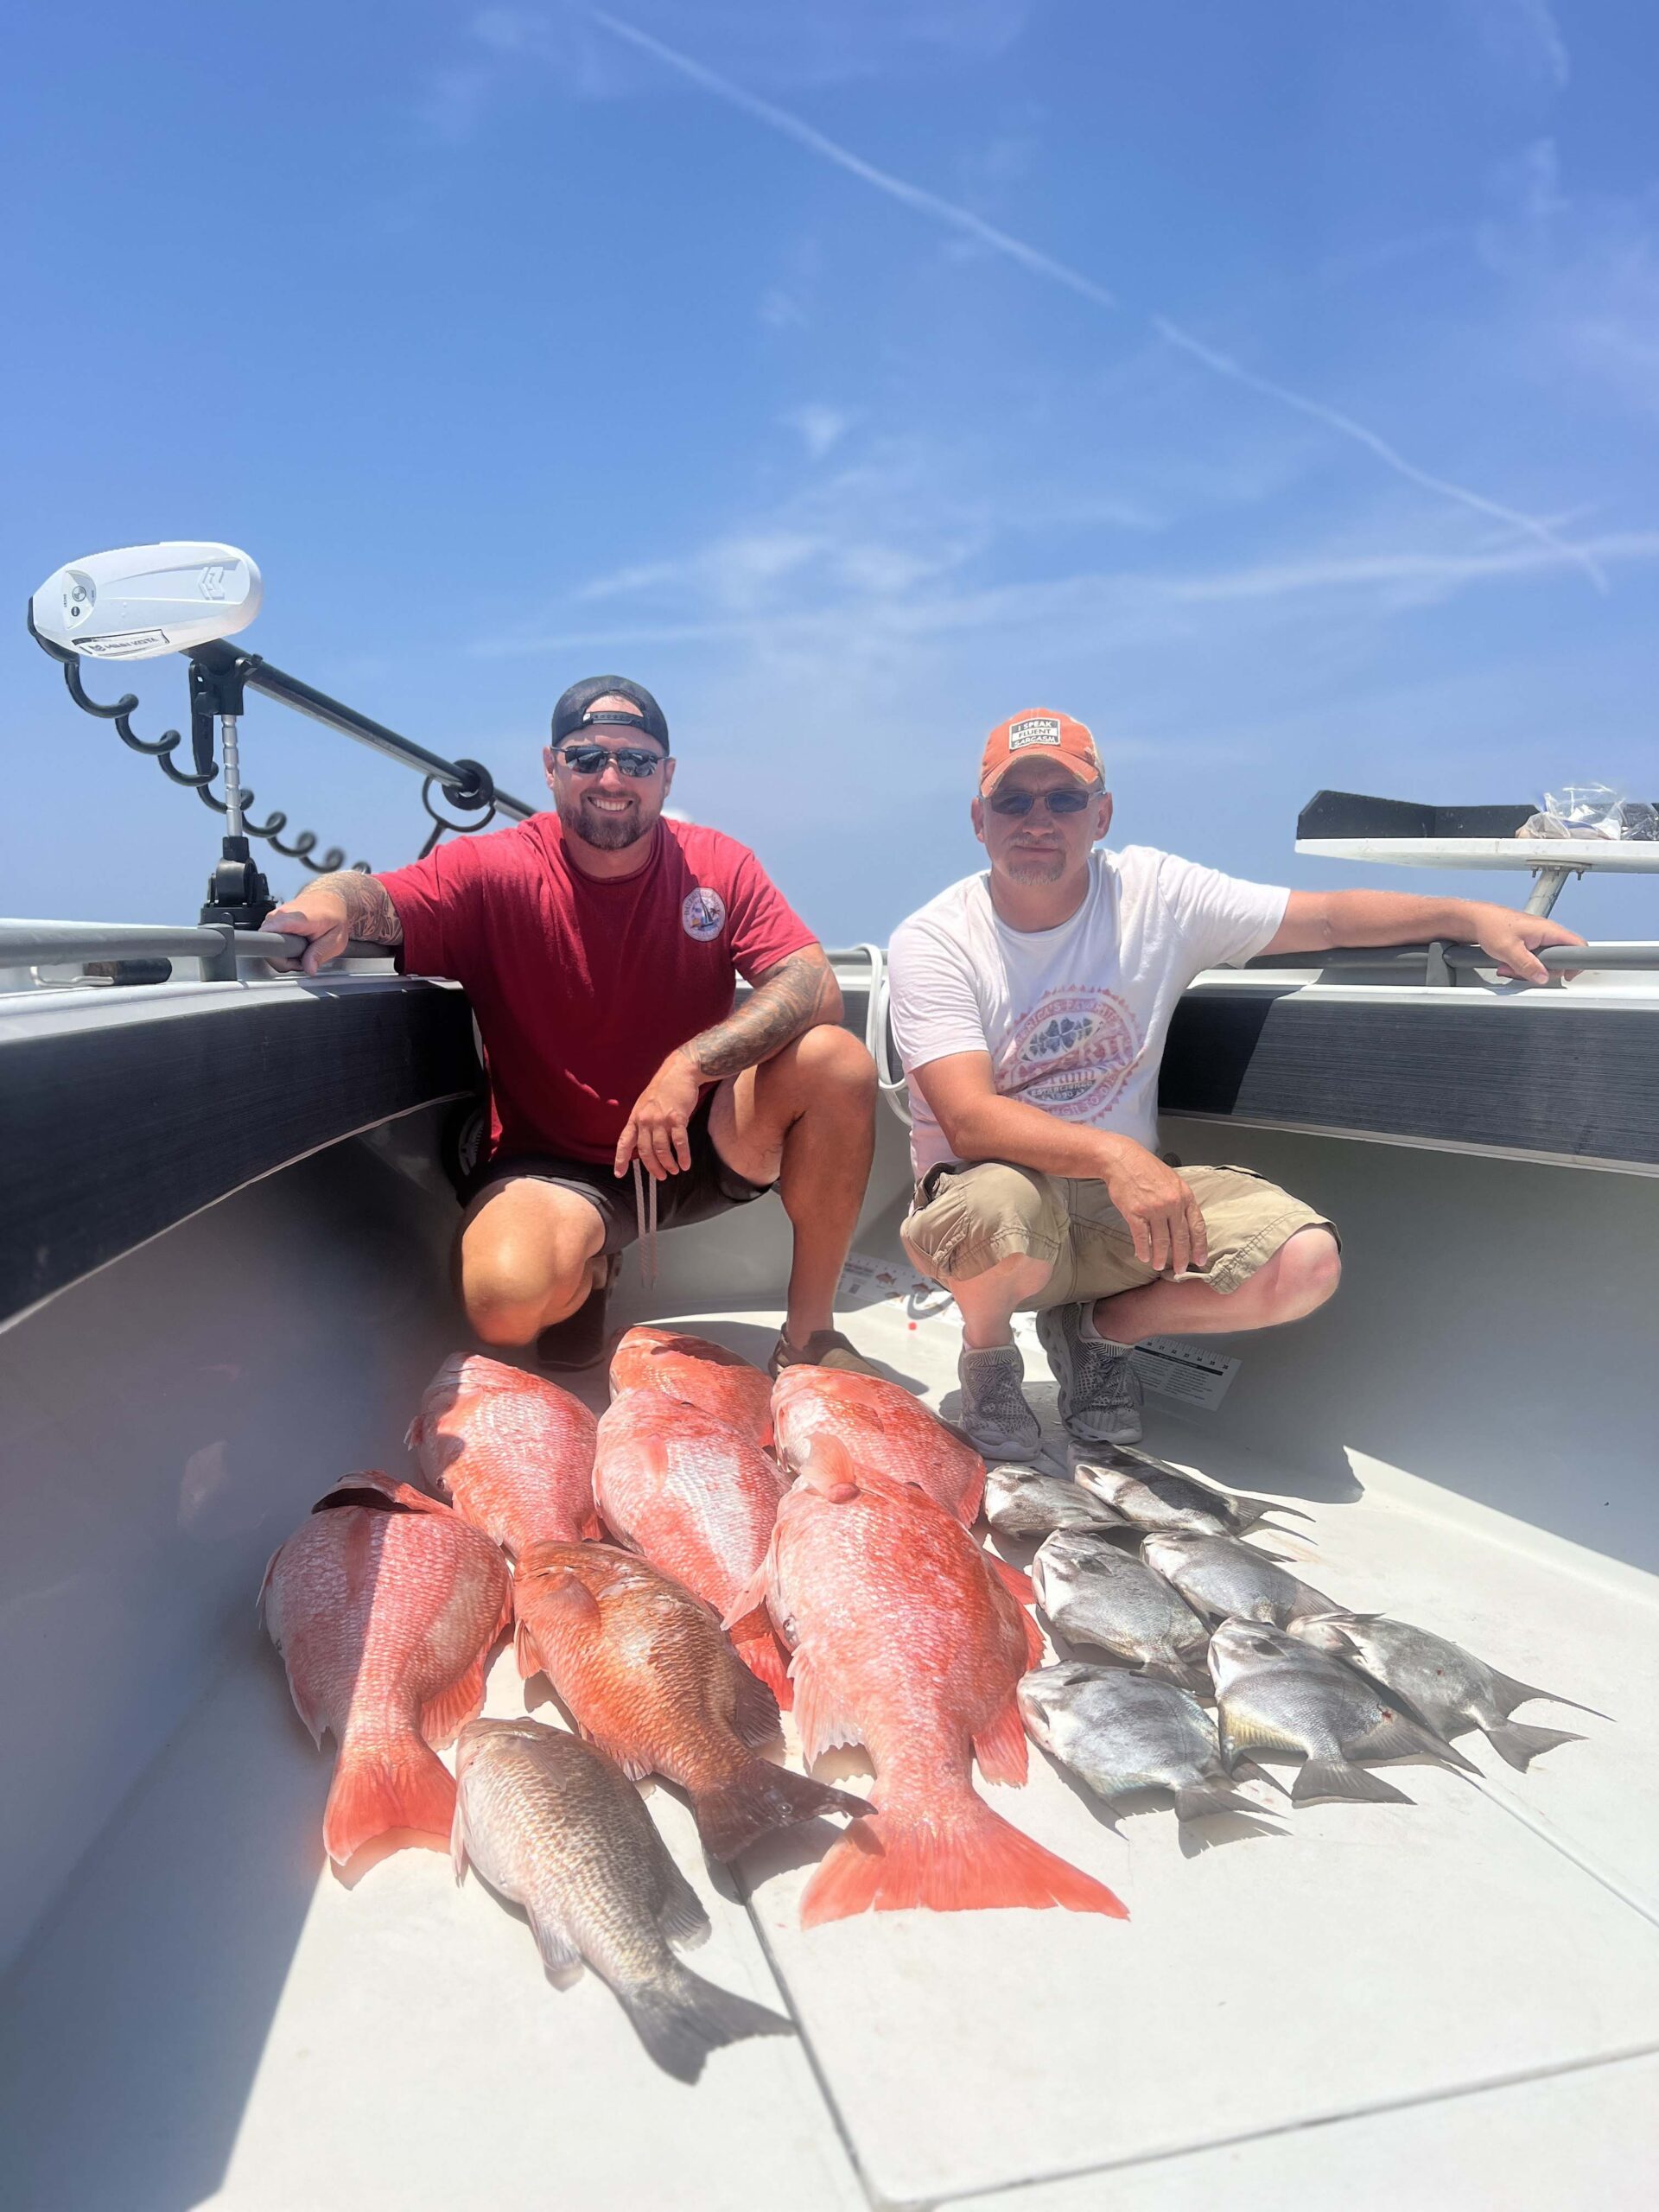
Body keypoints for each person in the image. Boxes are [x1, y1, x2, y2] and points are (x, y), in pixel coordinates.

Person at [887, 707, 1585, 1458]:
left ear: (1101, 815)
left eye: (1062, 799)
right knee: (1002, 1208)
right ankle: (988, 1353)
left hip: (1116, 1210)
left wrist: (1467, 914)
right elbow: (969, 1119)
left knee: (1304, 1266)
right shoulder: (933, 940)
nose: (1037, 820)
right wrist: (1120, 1157)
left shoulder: (1155, 893)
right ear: (978, 820)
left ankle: (1097, 1334)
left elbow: (1322, 921)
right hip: (988, 1202)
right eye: (1012, 801)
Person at [264, 675, 881, 1376]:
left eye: (638, 761)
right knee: (501, 1303)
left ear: (667, 776)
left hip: (697, 1142)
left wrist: (690, 1067)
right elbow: (376, 898)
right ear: (551, 767)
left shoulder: (719, 864)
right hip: (555, 1165)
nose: (612, 778)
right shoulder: (492, 869)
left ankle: (810, 1336)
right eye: (588, 757)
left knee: (835, 1059)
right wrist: (324, 905)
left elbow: (812, 983)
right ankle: (592, 1273)